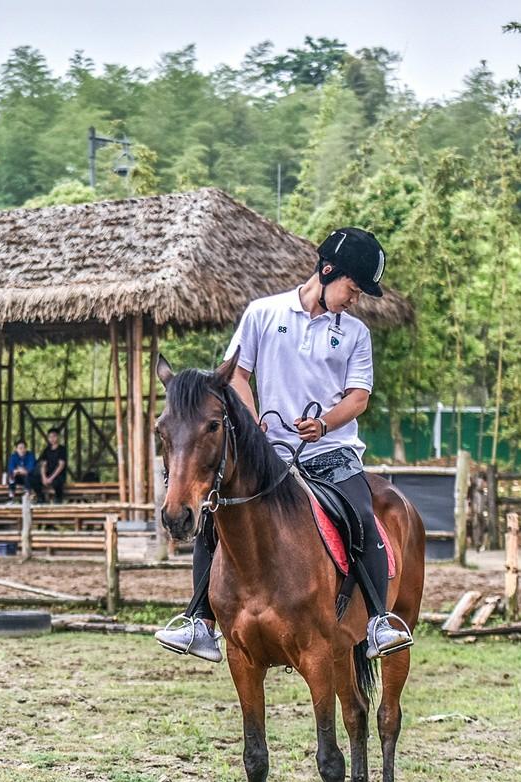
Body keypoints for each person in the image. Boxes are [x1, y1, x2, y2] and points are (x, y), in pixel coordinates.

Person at [154, 227, 414, 663]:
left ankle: (376, 624)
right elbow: (236, 373)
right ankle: (199, 620)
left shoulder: (354, 333)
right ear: (328, 271)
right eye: (353, 287)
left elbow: (358, 396)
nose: (355, 299)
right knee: (215, 517)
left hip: (332, 454)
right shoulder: (262, 313)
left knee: (364, 516)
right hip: (269, 455)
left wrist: (324, 425)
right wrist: (255, 431)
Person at [33, 428, 68, 503]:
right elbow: (43, 465)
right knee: (34, 480)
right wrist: (44, 477)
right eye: (50, 437)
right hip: (47, 474)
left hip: (58, 475)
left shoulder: (62, 449)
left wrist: (51, 478)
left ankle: (58, 499)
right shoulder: (47, 450)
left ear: (58, 437)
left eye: (54, 436)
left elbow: (61, 465)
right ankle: (41, 498)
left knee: (57, 482)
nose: (52, 439)